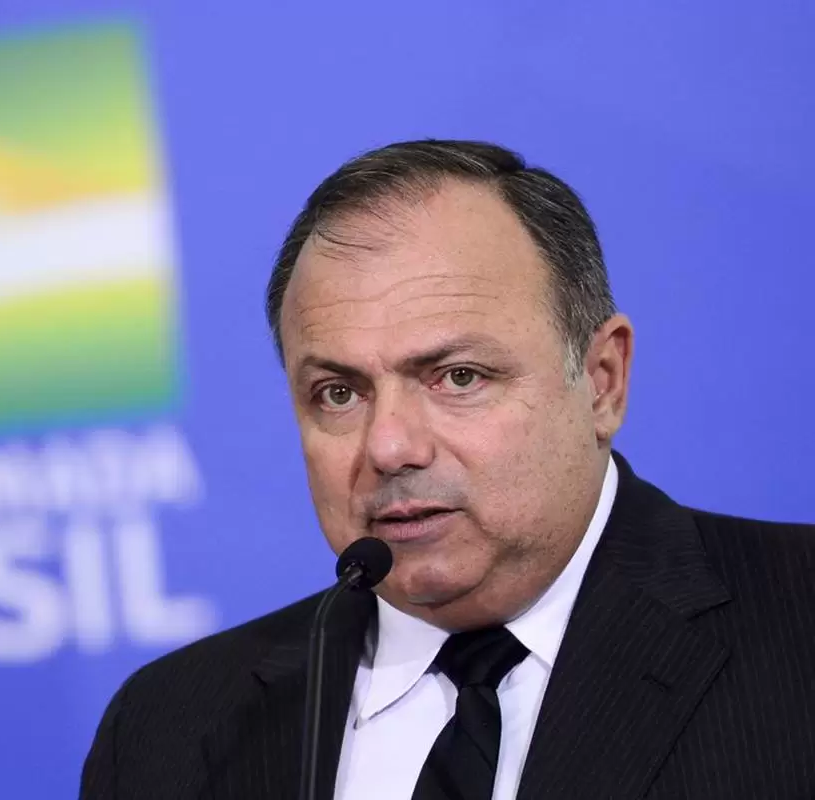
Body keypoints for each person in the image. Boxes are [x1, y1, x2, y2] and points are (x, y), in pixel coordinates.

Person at [79, 140, 815, 800]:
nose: (389, 447)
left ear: (602, 382)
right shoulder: (171, 728)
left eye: (459, 377)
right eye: (338, 393)